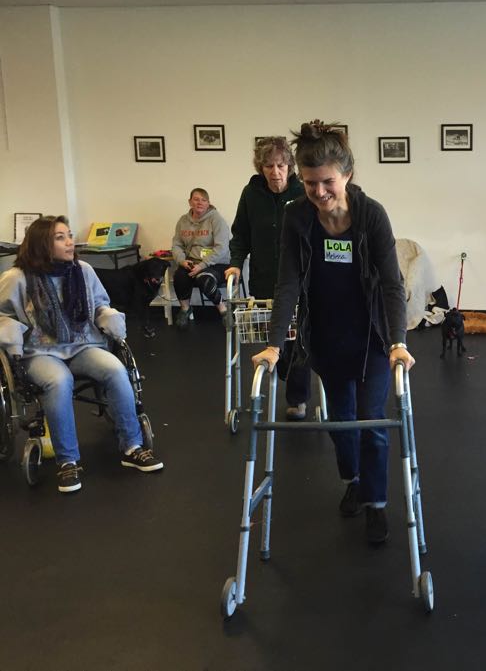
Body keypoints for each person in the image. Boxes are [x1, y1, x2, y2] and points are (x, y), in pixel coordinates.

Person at [251, 120, 414, 544]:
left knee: (372, 422)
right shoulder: (297, 218)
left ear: (347, 176)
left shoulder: (372, 215)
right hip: (325, 334)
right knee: (340, 422)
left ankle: (377, 504)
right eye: (309, 184)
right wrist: (273, 344)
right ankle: (354, 481)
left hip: (373, 338)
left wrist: (398, 341)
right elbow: (287, 282)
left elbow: (392, 283)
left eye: (327, 182)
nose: (319, 193)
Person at [0, 216, 163, 493]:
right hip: (40, 351)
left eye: (70, 235)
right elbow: (3, 315)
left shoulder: (83, 270)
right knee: (59, 380)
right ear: (42, 244)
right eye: (60, 237)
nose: (70, 242)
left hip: (83, 344)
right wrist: (12, 336)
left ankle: (132, 447)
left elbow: (100, 303)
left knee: (115, 369)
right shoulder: (17, 278)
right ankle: (68, 461)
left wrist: (109, 317)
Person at [225, 137, 312, 421]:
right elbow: (241, 236)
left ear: (290, 166)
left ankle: (298, 398)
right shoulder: (250, 194)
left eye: (281, 165)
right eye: (269, 166)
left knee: (298, 339)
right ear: (260, 167)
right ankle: (274, 380)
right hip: (265, 280)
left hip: (300, 281)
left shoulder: (303, 192)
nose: (275, 172)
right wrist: (235, 264)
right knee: (273, 338)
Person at [171, 187, 231, 328]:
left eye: (204, 200)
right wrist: (181, 260)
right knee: (179, 276)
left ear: (208, 203)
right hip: (192, 262)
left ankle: (223, 311)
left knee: (204, 279)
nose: (200, 203)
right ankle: (185, 309)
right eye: (196, 199)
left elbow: (222, 248)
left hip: (216, 263)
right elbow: (176, 244)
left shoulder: (216, 220)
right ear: (190, 202)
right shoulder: (183, 221)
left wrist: (202, 265)